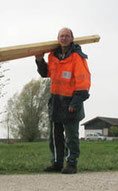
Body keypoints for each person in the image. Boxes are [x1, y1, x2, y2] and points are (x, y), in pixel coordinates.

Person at [35, 28, 91, 174]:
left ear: (72, 39)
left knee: (71, 136)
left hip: (71, 101)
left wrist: (75, 102)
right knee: (55, 136)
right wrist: (39, 60)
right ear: (58, 38)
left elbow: (83, 82)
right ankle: (57, 163)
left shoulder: (77, 57)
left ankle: (71, 163)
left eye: (67, 36)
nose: (64, 38)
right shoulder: (53, 55)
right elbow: (45, 73)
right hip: (56, 101)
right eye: (61, 36)